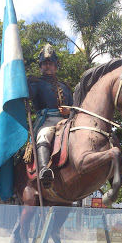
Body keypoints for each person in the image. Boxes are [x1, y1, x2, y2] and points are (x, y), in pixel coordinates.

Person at [28, 44, 73, 189]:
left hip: (68, 120)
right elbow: (28, 96)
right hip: (47, 120)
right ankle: (43, 170)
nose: (48, 66)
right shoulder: (36, 83)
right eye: (45, 64)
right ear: (40, 67)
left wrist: (69, 111)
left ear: (55, 67)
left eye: (50, 64)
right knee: (44, 135)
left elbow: (74, 107)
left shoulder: (65, 87)